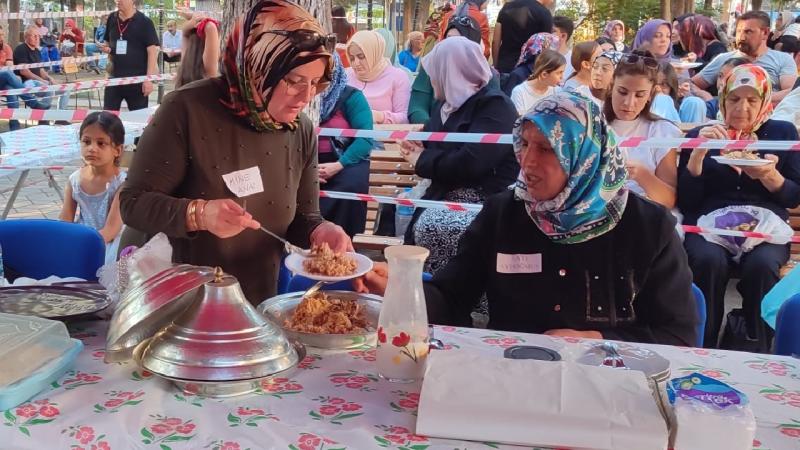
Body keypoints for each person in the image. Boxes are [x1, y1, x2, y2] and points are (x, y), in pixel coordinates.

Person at [356, 91, 698, 346]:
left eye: (547, 149)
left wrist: (598, 338)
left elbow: (677, 334)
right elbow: (452, 296)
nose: (528, 161)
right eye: (525, 144)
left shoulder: (649, 227)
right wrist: (403, 291)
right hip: (513, 376)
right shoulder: (504, 213)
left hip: (612, 385)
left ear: (584, 156)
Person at [119, 0, 351, 305]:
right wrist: (198, 214)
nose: (306, 96)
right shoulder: (186, 110)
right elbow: (133, 203)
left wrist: (320, 232)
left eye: (314, 83)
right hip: (178, 303)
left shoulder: (300, 130)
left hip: (256, 304)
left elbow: (303, 218)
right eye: (293, 81)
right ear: (258, 64)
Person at [678, 64, 800, 350]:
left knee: (763, 265)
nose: (742, 108)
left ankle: (756, 346)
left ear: (764, 101)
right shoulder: (703, 133)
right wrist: (697, 155)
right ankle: (703, 347)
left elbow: (793, 197)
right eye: (734, 98)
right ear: (722, 99)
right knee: (707, 260)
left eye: (752, 99)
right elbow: (687, 200)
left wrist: (770, 176)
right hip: (709, 225)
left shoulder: (782, 134)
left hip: (766, 228)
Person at [397, 37, 518, 274]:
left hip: (486, 198)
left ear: (451, 72)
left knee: (435, 227)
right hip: (445, 191)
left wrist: (421, 159)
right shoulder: (445, 107)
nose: (432, 79)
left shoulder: (496, 107)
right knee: (420, 224)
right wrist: (417, 145)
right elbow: (436, 143)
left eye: (436, 72)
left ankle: (449, 299)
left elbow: (472, 163)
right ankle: (428, 295)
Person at [605, 50, 680, 210]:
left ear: (651, 95)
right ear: (611, 86)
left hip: (644, 215)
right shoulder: (592, 123)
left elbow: (668, 200)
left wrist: (641, 175)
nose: (628, 103)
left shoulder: (661, 131)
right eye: (622, 92)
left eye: (639, 95)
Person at [317, 53, 373, 237]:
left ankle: (342, 245)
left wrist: (338, 165)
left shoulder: (352, 97)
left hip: (347, 160)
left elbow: (365, 139)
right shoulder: (301, 97)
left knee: (349, 188)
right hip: (309, 162)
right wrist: (308, 170)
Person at [60, 112, 127, 264]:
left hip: (111, 246)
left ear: (117, 150)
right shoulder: (75, 180)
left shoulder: (122, 185)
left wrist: (81, 246)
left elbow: (111, 231)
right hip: (82, 239)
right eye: (86, 141)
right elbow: (65, 222)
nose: (92, 148)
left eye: (101, 143)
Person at [691, 11, 797, 103]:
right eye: (738, 31)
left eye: (748, 31)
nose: (741, 37)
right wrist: (705, 96)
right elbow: (692, 84)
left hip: (770, 118)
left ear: (765, 33)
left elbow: (790, 91)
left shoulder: (783, 59)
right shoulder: (723, 59)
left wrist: (755, 99)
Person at [408, 14, 488, 124]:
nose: (450, 45)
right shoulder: (431, 67)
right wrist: (429, 129)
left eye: (458, 40)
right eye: (448, 39)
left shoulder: (484, 76)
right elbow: (417, 106)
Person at [102, 0, 159, 110]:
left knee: (138, 121)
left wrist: (149, 80)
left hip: (137, 81)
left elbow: (152, 52)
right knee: (107, 119)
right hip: (113, 80)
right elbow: (107, 42)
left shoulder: (145, 22)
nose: (117, 1)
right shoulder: (111, 18)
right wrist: (106, 49)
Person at [346, 30, 410, 125]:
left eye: (361, 57)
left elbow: (404, 119)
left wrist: (379, 116)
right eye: (351, 58)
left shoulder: (397, 77)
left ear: (374, 54)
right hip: (345, 136)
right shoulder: (345, 75)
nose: (356, 63)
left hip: (383, 137)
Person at [0, 25, 48, 130]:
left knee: (11, 89)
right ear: (26, 37)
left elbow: (10, 65)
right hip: (24, 81)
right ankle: (33, 103)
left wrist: (48, 79)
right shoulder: (21, 49)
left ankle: (14, 127)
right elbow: (21, 71)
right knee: (7, 74)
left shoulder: (6, 47)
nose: (1, 37)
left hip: (4, 80)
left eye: (2, 35)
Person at [13, 26, 70, 111]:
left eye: (38, 36)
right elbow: (24, 71)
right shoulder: (21, 49)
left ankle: (61, 117)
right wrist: (42, 81)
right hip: (26, 82)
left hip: (38, 82)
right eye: (34, 36)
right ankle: (42, 118)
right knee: (48, 89)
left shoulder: (37, 51)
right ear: (26, 37)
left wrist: (50, 78)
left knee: (65, 89)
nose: (37, 38)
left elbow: (40, 70)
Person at [492, 0, 553, 73]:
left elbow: (495, 41)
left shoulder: (507, 7)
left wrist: (496, 65)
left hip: (504, 65)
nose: (552, 1)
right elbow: (544, 48)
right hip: (526, 70)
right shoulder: (545, 14)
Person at [511, 48, 564, 115]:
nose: (562, 77)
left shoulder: (558, 92)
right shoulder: (519, 92)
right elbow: (519, 121)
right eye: (559, 73)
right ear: (544, 75)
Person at [174, 15, 220, 88]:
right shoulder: (208, 72)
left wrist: (192, 21)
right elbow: (210, 27)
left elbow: (185, 35)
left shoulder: (184, 65)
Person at [554, 15, 575, 81]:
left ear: (563, 36)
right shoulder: (540, 56)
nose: (546, 34)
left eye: (552, 31)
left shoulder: (574, 61)